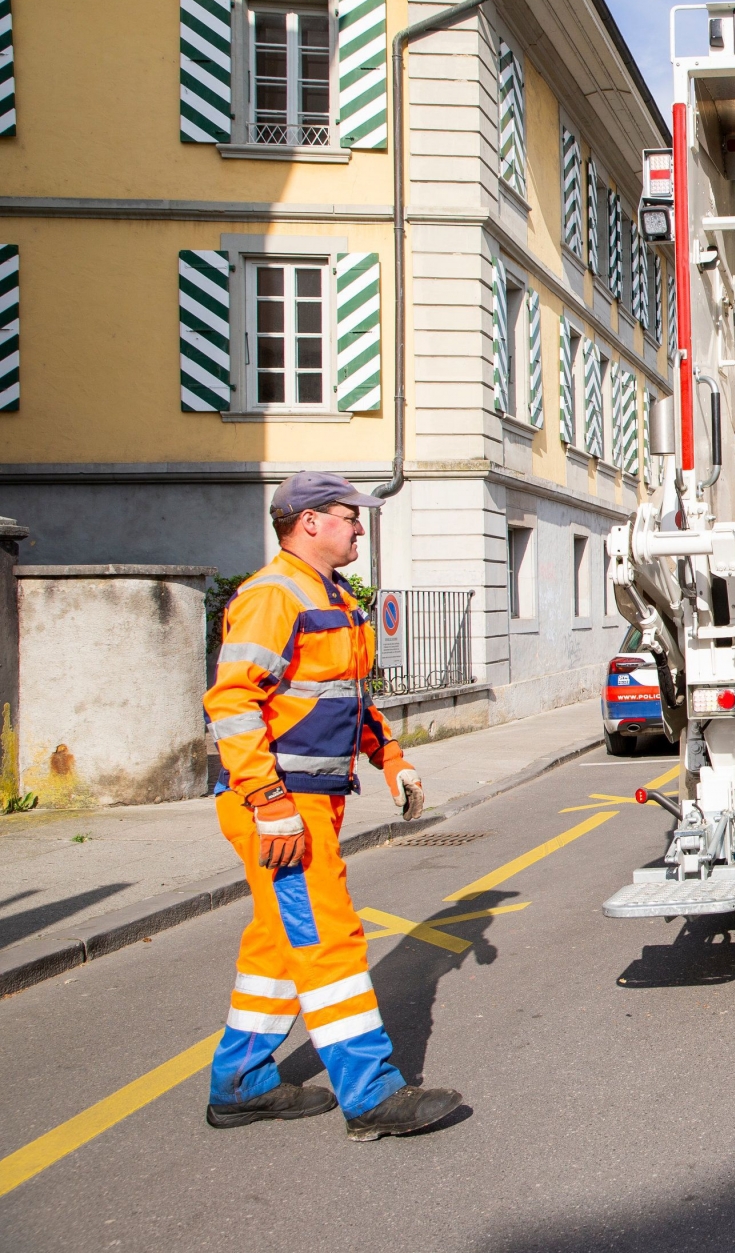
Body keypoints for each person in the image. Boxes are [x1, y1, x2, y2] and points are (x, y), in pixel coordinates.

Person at [203, 471, 463, 1140]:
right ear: (309, 521)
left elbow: (349, 700)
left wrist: (392, 759)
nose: (360, 527)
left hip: (304, 801)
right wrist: (267, 800)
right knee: (330, 941)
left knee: (275, 945)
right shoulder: (273, 596)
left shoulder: (336, 597)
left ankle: (242, 1082)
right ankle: (372, 1093)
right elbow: (231, 703)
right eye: (350, 516)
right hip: (281, 804)